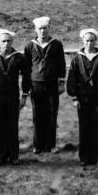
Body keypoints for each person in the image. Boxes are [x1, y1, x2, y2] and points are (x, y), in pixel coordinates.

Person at [66, 28, 98, 167]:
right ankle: (84, 157)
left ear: (95, 41)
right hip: (82, 99)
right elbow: (72, 79)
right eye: (87, 41)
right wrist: (74, 98)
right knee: (84, 127)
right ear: (83, 41)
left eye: (92, 41)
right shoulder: (76, 58)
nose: (89, 43)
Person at [0, 29, 30, 166]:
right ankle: (0, 156)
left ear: (12, 42)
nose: (6, 43)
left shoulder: (19, 58)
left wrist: (24, 96)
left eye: (9, 41)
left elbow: (26, 76)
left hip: (13, 96)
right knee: (0, 126)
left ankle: (14, 156)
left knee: (12, 126)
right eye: (3, 41)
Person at [24, 16, 66, 154]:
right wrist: (27, 85)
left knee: (52, 113)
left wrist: (61, 82)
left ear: (49, 28)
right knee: (38, 114)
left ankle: (51, 144)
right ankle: (38, 145)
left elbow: (61, 64)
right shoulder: (30, 46)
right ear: (36, 30)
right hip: (36, 84)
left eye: (45, 28)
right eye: (40, 29)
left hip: (52, 84)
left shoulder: (56, 44)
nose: (43, 31)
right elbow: (26, 67)